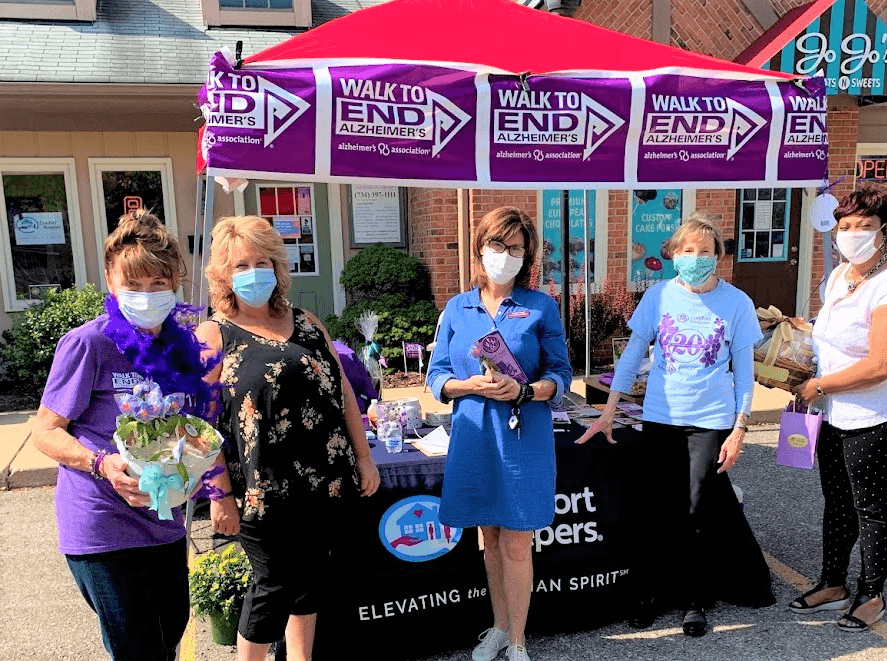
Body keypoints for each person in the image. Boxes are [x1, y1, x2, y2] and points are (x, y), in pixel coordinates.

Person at [577, 213, 775, 637]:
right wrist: (609, 410)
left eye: (705, 251)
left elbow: (744, 372)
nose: (697, 258)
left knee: (697, 508)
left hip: (710, 421)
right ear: (673, 255)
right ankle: (650, 593)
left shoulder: (736, 302)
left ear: (718, 256)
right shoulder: (658, 297)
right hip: (661, 417)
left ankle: (695, 598)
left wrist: (740, 429)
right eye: (688, 251)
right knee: (656, 509)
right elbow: (631, 356)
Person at [32, 210, 218, 661]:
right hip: (103, 525)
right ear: (112, 284)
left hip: (166, 521)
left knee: (171, 630)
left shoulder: (181, 347)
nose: (147, 295)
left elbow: (186, 428)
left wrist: (196, 468)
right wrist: (100, 463)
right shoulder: (88, 344)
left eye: (158, 284)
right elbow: (44, 431)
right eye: (133, 285)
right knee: (138, 650)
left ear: (175, 284)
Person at [195, 215, 380, 661]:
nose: (253, 272)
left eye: (262, 262)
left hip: (325, 482)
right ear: (223, 273)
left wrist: (364, 459)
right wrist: (218, 494)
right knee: (271, 588)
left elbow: (344, 396)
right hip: (262, 492)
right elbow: (200, 427)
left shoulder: (307, 322)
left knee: (310, 583)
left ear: (278, 268)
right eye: (240, 265)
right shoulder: (213, 335)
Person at [426, 207, 572, 661]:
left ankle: (518, 642)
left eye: (515, 248)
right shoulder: (457, 307)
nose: (504, 255)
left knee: (515, 540)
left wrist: (526, 389)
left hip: (523, 432)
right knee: (488, 536)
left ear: (526, 255)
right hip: (474, 432)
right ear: (480, 248)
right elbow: (437, 376)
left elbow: (562, 376)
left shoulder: (541, 306)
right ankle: (498, 626)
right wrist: (464, 385)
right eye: (497, 245)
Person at [791, 183, 887, 631]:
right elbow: (827, 332)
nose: (851, 233)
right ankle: (833, 583)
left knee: (871, 504)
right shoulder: (841, 275)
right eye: (845, 225)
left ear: (884, 230)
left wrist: (819, 384)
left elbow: (882, 364)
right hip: (835, 407)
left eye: (864, 226)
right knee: (837, 500)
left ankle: (872, 593)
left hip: (881, 412)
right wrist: (792, 335)